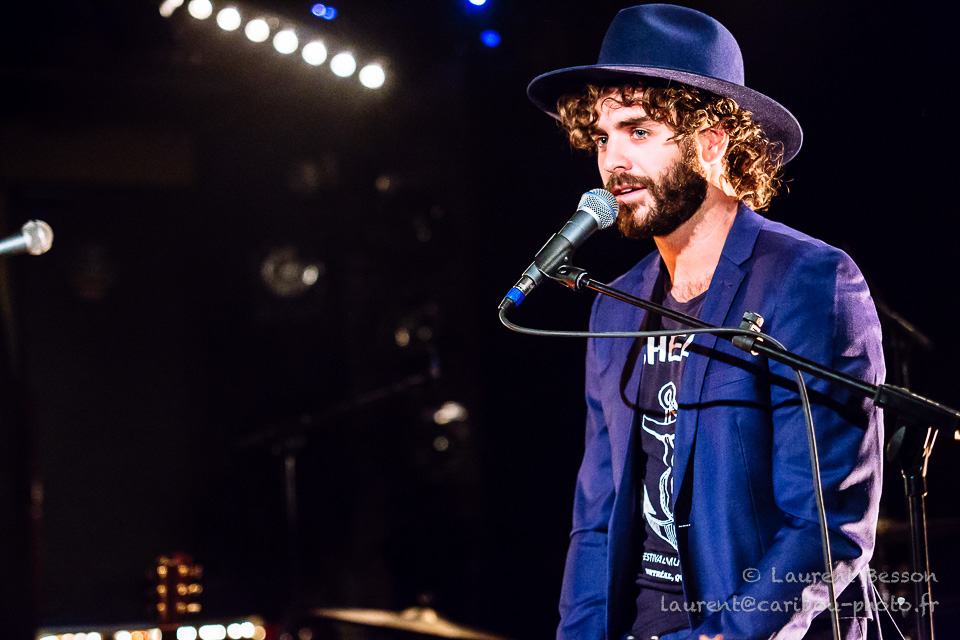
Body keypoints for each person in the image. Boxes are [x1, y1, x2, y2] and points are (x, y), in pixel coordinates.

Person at [525, 5, 885, 640]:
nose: (613, 161)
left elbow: (826, 523)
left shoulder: (808, 281)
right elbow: (597, 518)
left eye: (638, 131)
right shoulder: (615, 304)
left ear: (712, 140)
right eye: (603, 138)